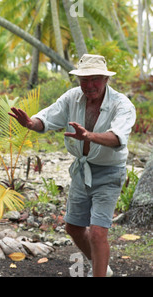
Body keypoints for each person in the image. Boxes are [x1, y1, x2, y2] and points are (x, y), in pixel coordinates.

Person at [9, 54, 136, 277]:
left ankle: (98, 272)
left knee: (98, 232)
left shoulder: (121, 105)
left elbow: (117, 137)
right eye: (84, 80)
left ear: (106, 79)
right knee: (73, 227)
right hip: (81, 170)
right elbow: (48, 118)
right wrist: (31, 123)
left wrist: (89, 135)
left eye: (95, 79)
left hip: (109, 172)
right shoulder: (72, 98)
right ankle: (102, 268)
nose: (89, 85)